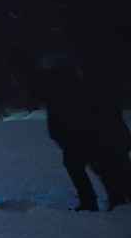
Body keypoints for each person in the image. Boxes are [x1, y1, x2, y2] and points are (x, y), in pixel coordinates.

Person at [40, 53, 131, 211]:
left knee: (105, 168)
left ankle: (107, 200)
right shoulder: (76, 85)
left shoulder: (66, 87)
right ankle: (112, 200)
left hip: (87, 136)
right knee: (107, 168)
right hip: (90, 135)